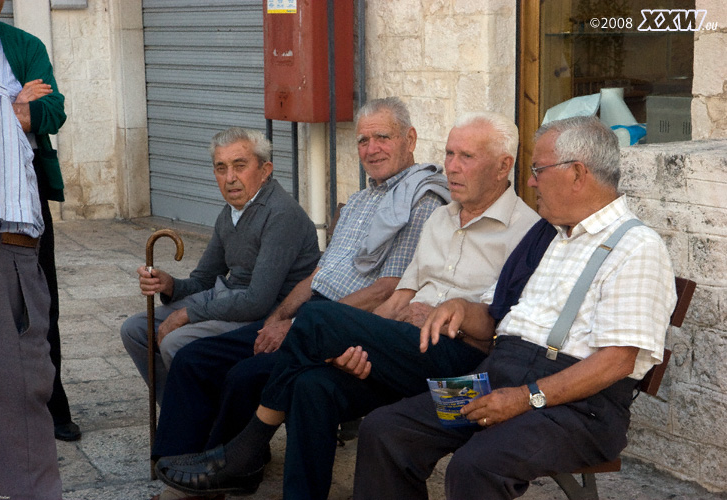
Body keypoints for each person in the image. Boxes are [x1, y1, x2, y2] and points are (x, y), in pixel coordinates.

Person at [154, 111, 541, 500]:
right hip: (404, 344)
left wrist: (453, 315)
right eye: (449, 154)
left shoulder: (526, 232)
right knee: (312, 385)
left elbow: (505, 331)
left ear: (503, 165)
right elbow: (401, 296)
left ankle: (248, 446)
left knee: (318, 317)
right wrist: (359, 340)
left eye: (466, 157)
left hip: (461, 362)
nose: (452, 167)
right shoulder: (442, 218)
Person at [352, 115, 678, 500]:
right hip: (498, 376)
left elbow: (617, 361)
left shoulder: (637, 247)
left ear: (577, 173)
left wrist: (526, 397)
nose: (530, 181)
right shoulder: (548, 236)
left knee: (477, 464)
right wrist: (459, 308)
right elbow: (495, 315)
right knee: (386, 430)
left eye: (538, 169)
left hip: (577, 407)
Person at [120, 127, 321, 404]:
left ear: (265, 170)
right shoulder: (231, 212)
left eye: (240, 166)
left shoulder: (281, 214)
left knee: (175, 342)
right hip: (228, 299)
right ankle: (176, 414)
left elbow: (257, 302)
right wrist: (169, 285)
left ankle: (207, 427)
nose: (230, 178)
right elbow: (202, 280)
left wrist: (186, 314)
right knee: (135, 330)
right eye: (221, 168)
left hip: (265, 315)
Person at [0, 0, 77, 441]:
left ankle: (53, 404)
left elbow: (54, 111)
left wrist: (9, 110)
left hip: (25, 184)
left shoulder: (24, 45)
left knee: (40, 295)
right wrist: (14, 105)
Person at [0, 47, 61, 498]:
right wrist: (12, 104)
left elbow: (51, 109)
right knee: (16, 417)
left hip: (3, 255)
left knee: (12, 413)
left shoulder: (8, 51)